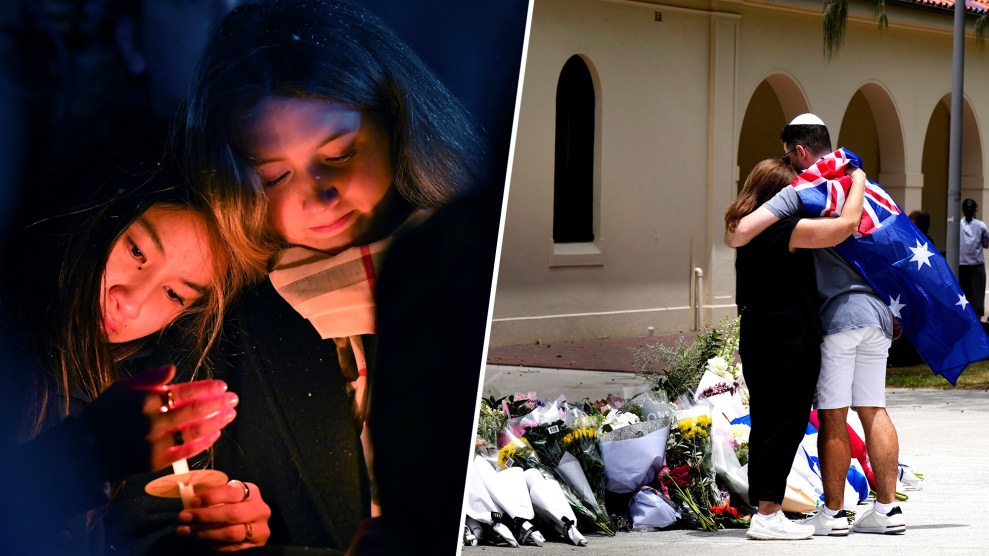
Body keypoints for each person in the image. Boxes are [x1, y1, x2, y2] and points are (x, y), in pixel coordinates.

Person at [104, 1, 494, 553]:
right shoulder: (215, 318)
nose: (319, 194)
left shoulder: (470, 262)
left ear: (397, 118)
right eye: (274, 176)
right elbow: (148, 520)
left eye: (338, 154)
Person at [0, 167, 250, 555]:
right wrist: (82, 457)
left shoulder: (120, 384)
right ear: (102, 212)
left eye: (173, 293)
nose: (131, 302)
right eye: (137, 252)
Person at [727, 113, 906, 536]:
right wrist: (859, 177)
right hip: (857, 320)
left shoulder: (768, 227)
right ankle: (886, 509)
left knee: (821, 417)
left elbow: (736, 233)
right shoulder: (796, 223)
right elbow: (846, 227)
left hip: (804, 327)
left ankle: (832, 514)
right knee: (868, 410)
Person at [725, 158, 865, 540]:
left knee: (768, 422)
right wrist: (857, 183)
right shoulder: (782, 228)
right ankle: (768, 514)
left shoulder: (752, 230)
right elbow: (843, 228)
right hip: (788, 337)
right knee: (784, 425)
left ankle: (765, 509)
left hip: (759, 334)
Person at [959, 198, 989, 321]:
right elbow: (986, 244)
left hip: (961, 265)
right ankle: (977, 324)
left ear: (962, 210)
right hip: (976, 266)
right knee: (977, 298)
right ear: (976, 209)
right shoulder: (981, 225)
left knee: (962, 298)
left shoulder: (957, 224)